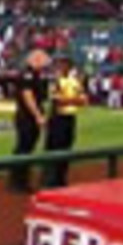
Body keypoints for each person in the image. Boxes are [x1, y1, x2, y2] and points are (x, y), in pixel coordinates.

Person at [42, 55, 87, 188]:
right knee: (53, 149)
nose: (63, 67)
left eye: (65, 64)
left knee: (66, 149)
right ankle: (49, 180)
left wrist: (71, 101)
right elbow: (57, 101)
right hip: (57, 118)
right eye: (61, 64)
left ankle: (61, 178)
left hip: (69, 117)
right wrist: (73, 100)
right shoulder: (55, 80)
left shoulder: (74, 81)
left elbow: (83, 100)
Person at [8, 49, 49, 192]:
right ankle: (17, 181)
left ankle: (22, 180)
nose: (45, 63)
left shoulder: (36, 75)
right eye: (43, 60)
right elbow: (28, 96)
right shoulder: (27, 75)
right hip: (26, 116)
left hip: (29, 115)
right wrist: (37, 115)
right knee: (23, 148)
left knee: (27, 148)